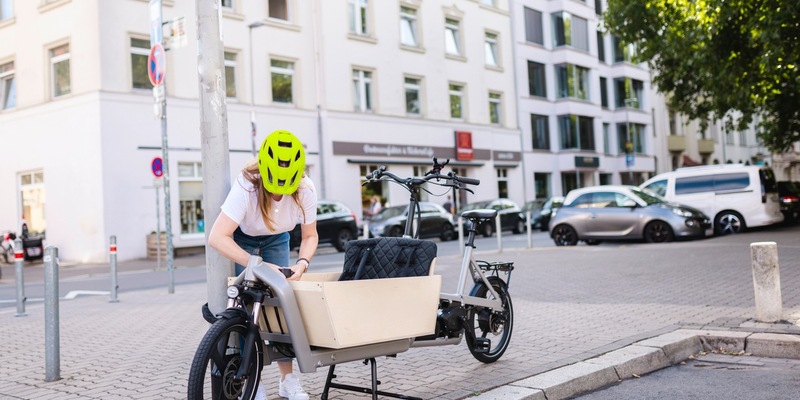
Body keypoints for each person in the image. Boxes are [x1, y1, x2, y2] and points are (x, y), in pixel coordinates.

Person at [208, 129, 318, 400]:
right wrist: (256, 265)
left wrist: (302, 264)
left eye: (285, 188)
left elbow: (310, 235)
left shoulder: (305, 189)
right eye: (274, 187)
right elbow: (217, 237)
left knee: (280, 306)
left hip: (278, 238)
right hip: (243, 239)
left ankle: (287, 380)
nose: (278, 193)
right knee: (247, 308)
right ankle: (251, 380)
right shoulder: (246, 185)